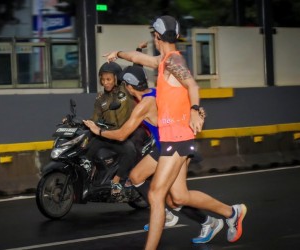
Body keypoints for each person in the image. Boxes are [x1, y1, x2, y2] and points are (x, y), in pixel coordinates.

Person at [104, 16, 247, 249]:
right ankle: (232, 213)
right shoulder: (164, 60)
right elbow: (140, 57)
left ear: (156, 37)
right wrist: (118, 53)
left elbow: (192, 84)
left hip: (177, 138)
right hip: (176, 138)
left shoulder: (173, 61)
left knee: (156, 195)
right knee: (179, 196)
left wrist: (194, 109)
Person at [83, 65, 243, 244]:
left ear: (129, 87)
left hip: (173, 146)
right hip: (162, 146)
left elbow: (121, 135)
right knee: (136, 176)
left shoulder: (144, 105)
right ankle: (173, 214)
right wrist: (195, 110)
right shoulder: (153, 92)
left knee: (177, 197)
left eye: (124, 84)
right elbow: (180, 98)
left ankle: (229, 212)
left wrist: (97, 131)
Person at [88, 61, 147, 196]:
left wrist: (138, 51)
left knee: (130, 150)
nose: (105, 82)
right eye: (102, 79)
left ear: (116, 78)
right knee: (89, 147)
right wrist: (85, 123)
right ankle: (92, 177)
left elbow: (135, 73)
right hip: (109, 134)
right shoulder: (100, 99)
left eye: (108, 79)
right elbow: (95, 118)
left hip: (125, 133)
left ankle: (117, 180)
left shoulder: (126, 90)